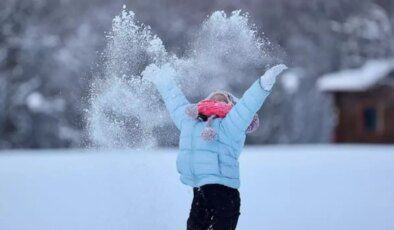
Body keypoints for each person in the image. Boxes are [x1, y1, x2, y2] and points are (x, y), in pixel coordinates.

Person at [142, 63, 287, 230]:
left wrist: (262, 85)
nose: (217, 100)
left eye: (223, 99)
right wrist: (161, 79)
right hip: (200, 192)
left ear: (232, 106)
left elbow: (247, 106)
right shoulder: (190, 121)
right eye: (213, 98)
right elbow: (175, 101)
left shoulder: (231, 124)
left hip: (224, 195)